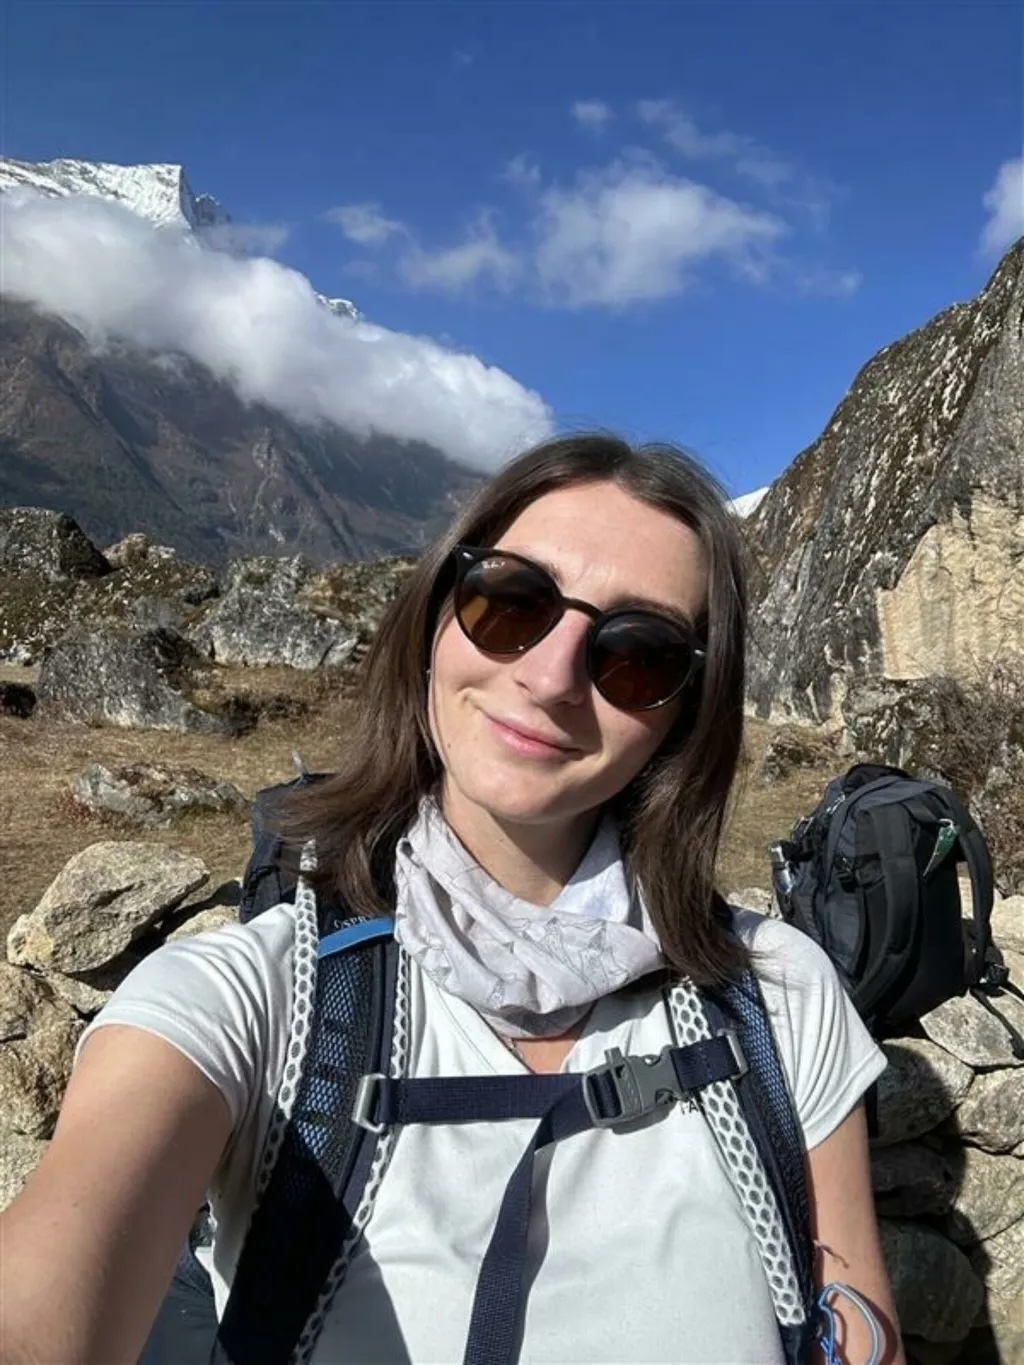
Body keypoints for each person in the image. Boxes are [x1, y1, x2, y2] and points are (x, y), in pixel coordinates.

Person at [0, 433, 903, 1364]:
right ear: (434, 619)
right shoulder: (258, 1001)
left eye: (638, 654)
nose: (550, 677)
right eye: (510, 602)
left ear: (684, 712)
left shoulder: (778, 998)